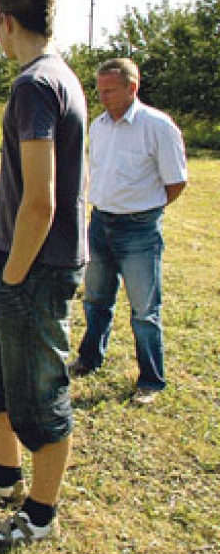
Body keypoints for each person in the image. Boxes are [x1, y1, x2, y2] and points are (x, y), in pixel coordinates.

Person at [0, 0, 88, 547]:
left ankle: (39, 513)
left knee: (40, 404)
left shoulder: (35, 85)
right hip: (15, 262)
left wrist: (12, 279)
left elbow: (41, 200)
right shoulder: (59, 77)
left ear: (5, 21)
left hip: (34, 268)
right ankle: (5, 476)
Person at [70, 58, 187, 404]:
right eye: (99, 90)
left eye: (109, 90)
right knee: (95, 299)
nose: (102, 97)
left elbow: (176, 181)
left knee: (144, 310)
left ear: (132, 88)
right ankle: (90, 358)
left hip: (139, 230)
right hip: (101, 222)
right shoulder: (99, 126)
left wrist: (144, 209)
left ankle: (151, 380)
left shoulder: (157, 126)